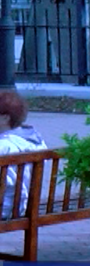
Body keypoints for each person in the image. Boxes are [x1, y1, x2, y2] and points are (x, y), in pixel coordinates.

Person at [0, 91, 46, 220]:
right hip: (24, 206)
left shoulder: (4, 147)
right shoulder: (36, 142)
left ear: (5, 118)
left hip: (5, 208)